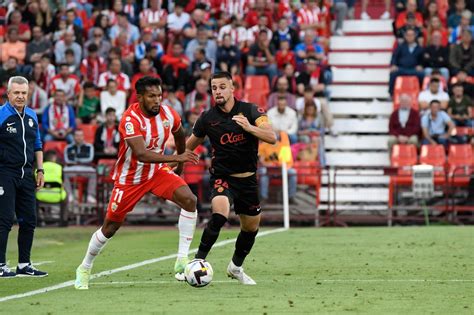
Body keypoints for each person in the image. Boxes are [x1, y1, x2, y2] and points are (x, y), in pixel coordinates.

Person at [75, 76, 200, 290]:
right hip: (130, 178)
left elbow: (180, 134)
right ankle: (84, 267)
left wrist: (180, 160)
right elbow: (142, 154)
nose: (157, 100)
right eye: (152, 96)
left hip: (157, 172)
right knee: (110, 227)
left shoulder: (169, 113)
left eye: (159, 95)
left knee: (190, 200)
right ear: (140, 97)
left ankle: (181, 260)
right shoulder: (130, 119)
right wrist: (176, 158)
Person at [185, 72, 277, 285]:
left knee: (251, 228)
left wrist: (248, 127)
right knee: (220, 214)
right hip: (222, 177)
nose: (217, 91)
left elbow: (271, 137)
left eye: (222, 87)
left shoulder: (251, 111)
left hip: (248, 180)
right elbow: (188, 146)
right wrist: (168, 165)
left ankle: (235, 267)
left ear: (232, 88)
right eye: (214, 88)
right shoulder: (207, 118)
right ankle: (196, 262)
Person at [0, 76, 47, 278]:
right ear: (8, 93)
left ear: (28, 94)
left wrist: (41, 170)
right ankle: (1, 265)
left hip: (27, 173)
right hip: (4, 173)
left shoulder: (32, 115)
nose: (20, 96)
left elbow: (37, 144)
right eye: (16, 92)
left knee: (29, 220)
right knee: (4, 220)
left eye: (24, 93)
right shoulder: (1, 115)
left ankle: (24, 264)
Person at [258, 131, 298, 204]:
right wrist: (264, 163)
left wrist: (281, 165)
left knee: (293, 172)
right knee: (263, 173)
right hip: (268, 170)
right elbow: (260, 160)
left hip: (281, 169)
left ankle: (290, 197)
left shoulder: (283, 146)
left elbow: (288, 162)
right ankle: (263, 197)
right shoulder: (263, 146)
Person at [63, 129, 97, 204]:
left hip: (85, 168)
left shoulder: (89, 146)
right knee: (64, 172)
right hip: (72, 169)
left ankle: (90, 196)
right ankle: (69, 195)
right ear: (74, 137)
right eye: (77, 135)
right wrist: (81, 158)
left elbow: (89, 158)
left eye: (80, 135)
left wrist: (76, 159)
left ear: (83, 137)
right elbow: (67, 160)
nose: (79, 137)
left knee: (94, 172)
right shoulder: (68, 147)